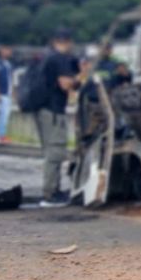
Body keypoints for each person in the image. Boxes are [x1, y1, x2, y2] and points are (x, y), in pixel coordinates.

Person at [37, 28, 85, 208]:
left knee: (53, 151)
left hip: (47, 110)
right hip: (53, 111)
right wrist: (80, 77)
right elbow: (66, 85)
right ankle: (50, 194)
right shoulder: (57, 59)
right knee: (55, 152)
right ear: (67, 41)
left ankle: (54, 190)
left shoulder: (49, 56)